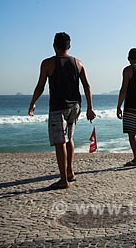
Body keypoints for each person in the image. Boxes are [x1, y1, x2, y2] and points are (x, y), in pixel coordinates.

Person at [28, 32, 96, 190]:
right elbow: (87, 86)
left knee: (60, 143)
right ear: (69, 46)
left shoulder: (47, 64)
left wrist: (32, 103)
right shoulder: (78, 63)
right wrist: (90, 108)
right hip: (75, 106)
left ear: (54, 45)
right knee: (69, 139)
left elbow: (40, 86)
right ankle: (70, 172)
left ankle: (63, 180)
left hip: (58, 107)